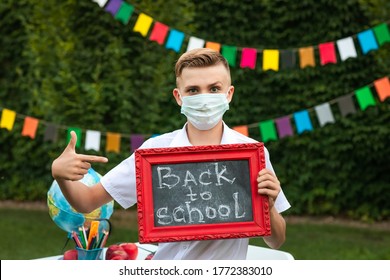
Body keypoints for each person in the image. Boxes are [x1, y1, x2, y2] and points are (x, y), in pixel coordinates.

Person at [51, 48, 291, 260]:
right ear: (179, 97)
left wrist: (268, 207)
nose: (204, 98)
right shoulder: (153, 154)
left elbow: (277, 240)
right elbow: (87, 201)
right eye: (193, 90)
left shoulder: (251, 154)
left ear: (228, 94)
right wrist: (61, 175)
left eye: (214, 88)